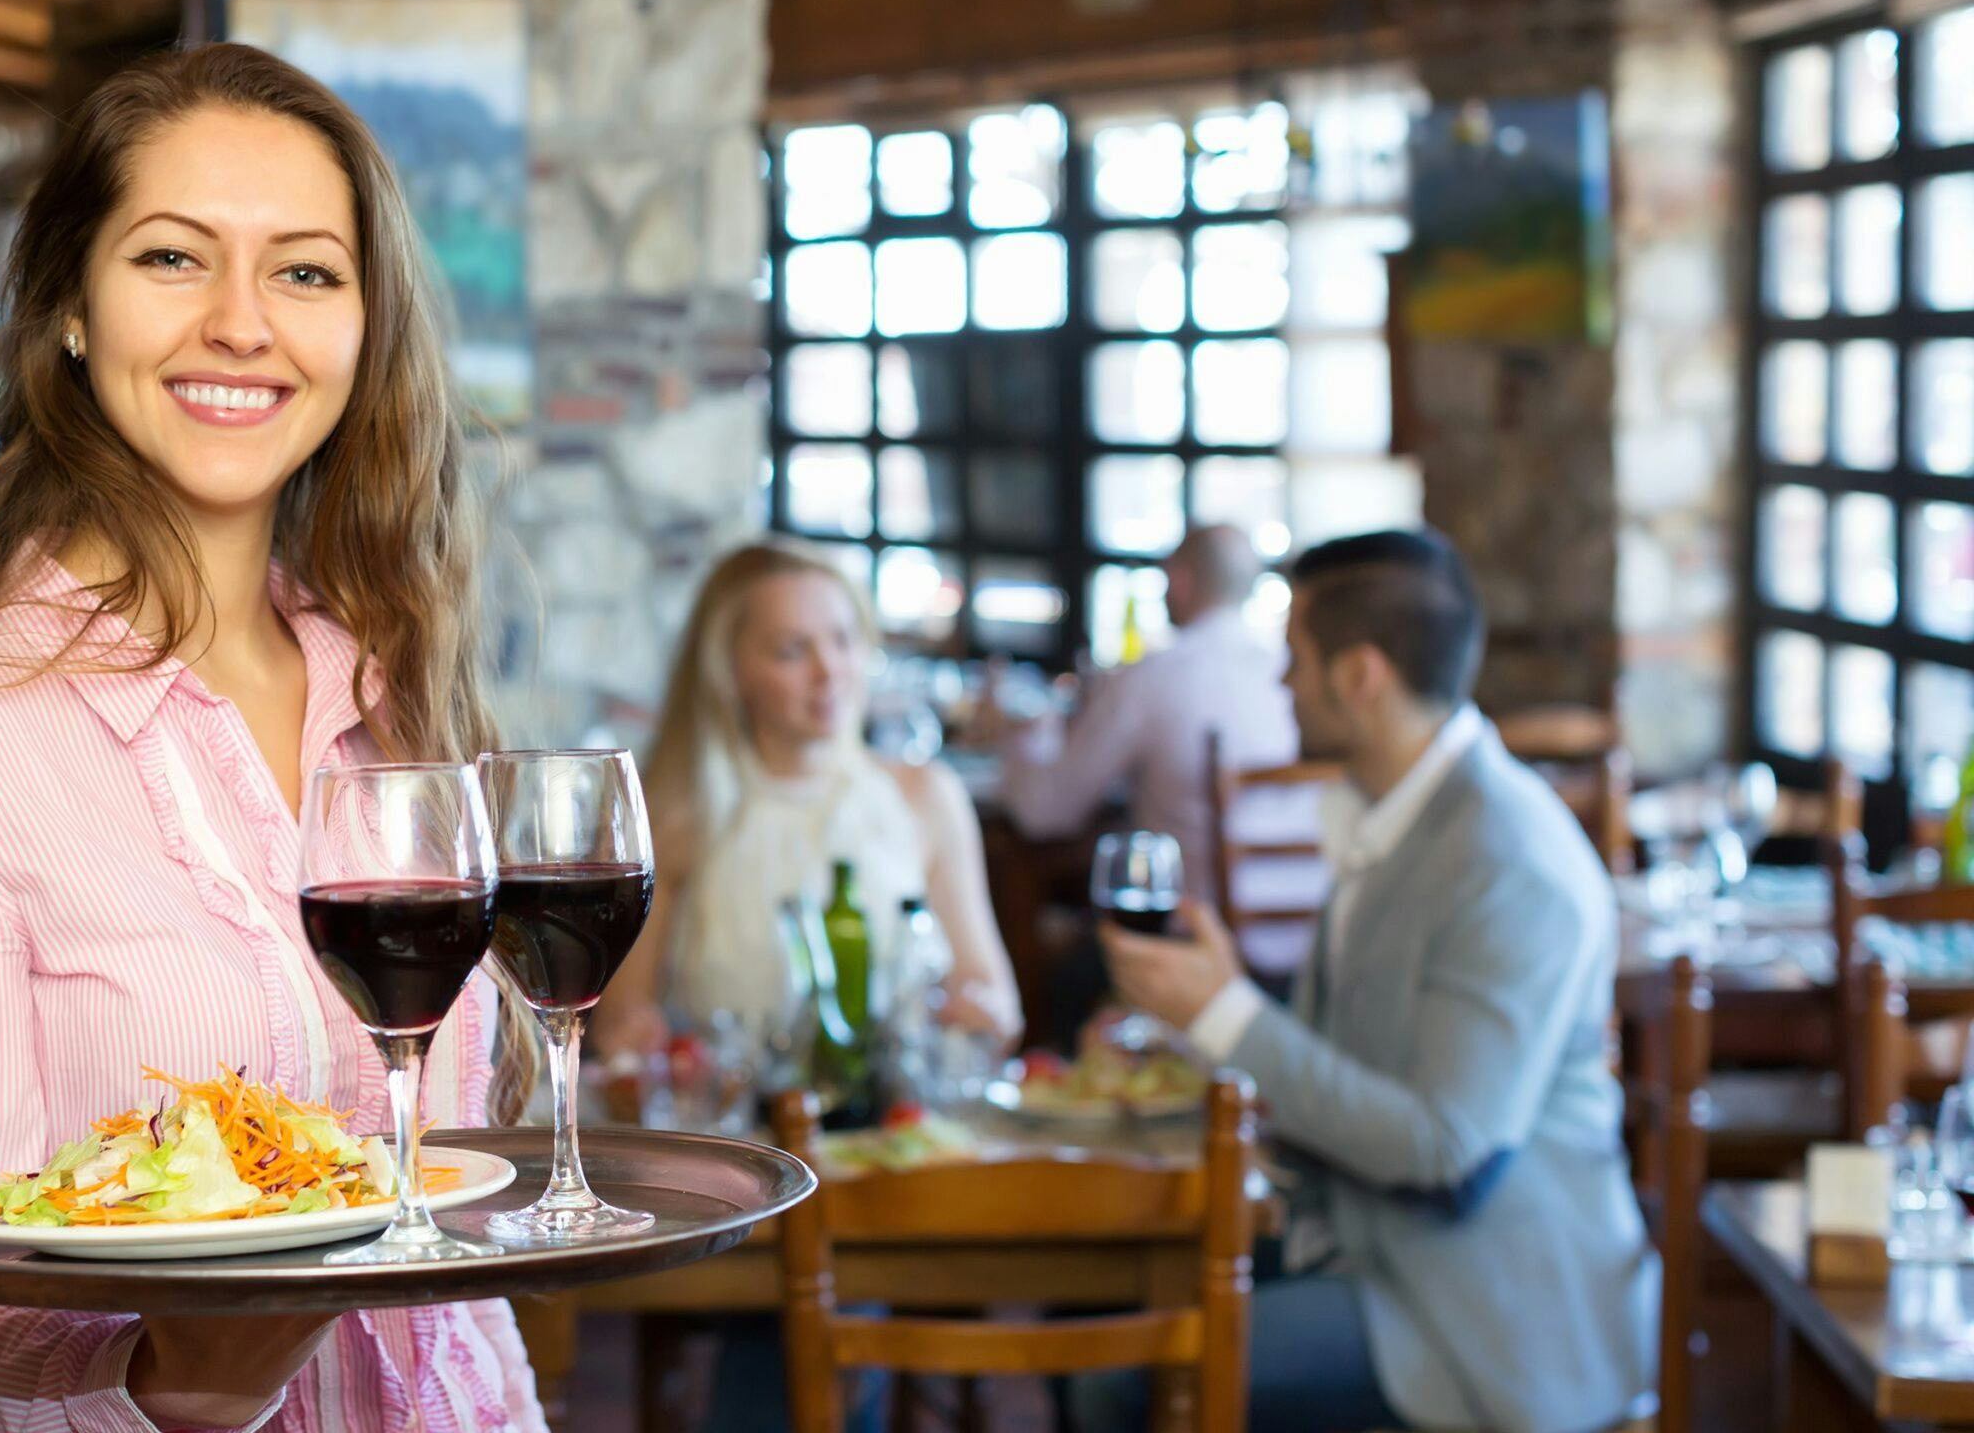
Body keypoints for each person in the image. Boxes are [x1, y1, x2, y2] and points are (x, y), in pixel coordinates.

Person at [0, 46, 540, 1432]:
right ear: (72, 308)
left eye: (306, 272)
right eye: (171, 259)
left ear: (364, 330)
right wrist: (184, 1389)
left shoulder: (395, 711)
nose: (242, 323)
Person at [1089, 530, 1656, 1433]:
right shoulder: (1399, 813)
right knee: (1102, 1300)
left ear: (1360, 677)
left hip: (1480, 1311)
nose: (1280, 685)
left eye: (1295, 662)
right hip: (1367, 1242)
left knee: (1127, 1376)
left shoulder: (1509, 860)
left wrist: (1227, 1015)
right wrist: (1217, 998)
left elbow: (1447, 1152)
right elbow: (1363, 1055)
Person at [597, 540, 1022, 1063]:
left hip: (897, 1128)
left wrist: (981, 1012)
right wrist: (638, 1045)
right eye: (791, 651)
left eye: (844, 641)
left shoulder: (927, 796)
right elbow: (621, 1024)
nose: (830, 671)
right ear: (729, 672)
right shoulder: (672, 812)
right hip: (734, 1132)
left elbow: (997, 1005)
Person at [992, 525, 1297, 903]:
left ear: (1180, 579)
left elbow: (1045, 813)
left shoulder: (1153, 676)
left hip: (1189, 938)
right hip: (1305, 938)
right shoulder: (1292, 674)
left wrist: (1029, 733)